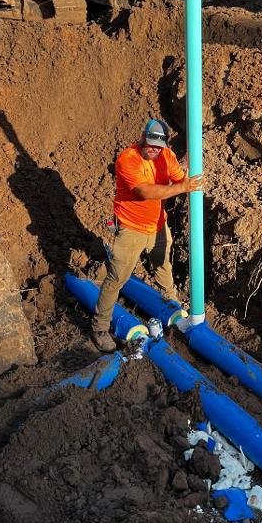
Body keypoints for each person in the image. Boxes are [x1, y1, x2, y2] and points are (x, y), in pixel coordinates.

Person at [91, 119, 203, 352]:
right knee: (117, 278)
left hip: (157, 225)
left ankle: (173, 308)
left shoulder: (166, 155)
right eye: (149, 144)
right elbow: (145, 192)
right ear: (142, 137)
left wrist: (186, 173)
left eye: (158, 146)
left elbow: (179, 177)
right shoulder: (127, 159)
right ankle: (100, 328)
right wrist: (183, 187)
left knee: (163, 266)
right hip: (131, 228)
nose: (152, 149)